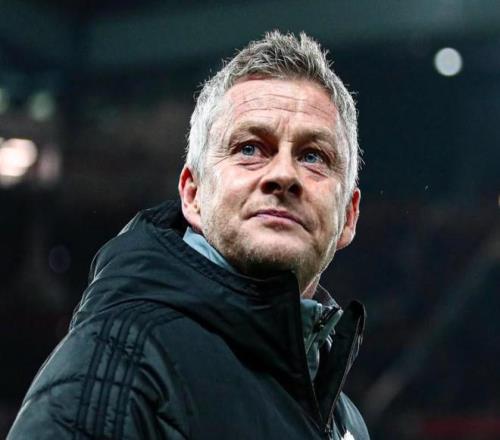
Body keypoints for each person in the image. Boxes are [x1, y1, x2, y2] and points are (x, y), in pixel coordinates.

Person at [8, 31, 368, 439]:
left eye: (313, 156)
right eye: (250, 148)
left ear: (348, 215)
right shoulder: (118, 362)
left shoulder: (347, 423)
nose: (284, 174)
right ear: (193, 196)